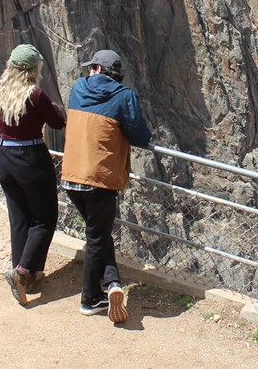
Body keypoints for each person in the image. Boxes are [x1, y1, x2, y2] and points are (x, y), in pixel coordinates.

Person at [60, 49, 150, 324]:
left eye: (92, 67)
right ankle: (89, 299)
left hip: (70, 175)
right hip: (99, 179)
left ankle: (112, 282)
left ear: (98, 69)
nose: (88, 71)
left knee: (98, 233)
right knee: (97, 238)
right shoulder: (125, 97)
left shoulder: (77, 88)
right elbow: (141, 136)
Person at [0, 44, 66, 305]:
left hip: (5, 157)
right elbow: (58, 123)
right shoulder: (35, 95)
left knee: (19, 218)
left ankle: (24, 273)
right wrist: (54, 107)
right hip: (31, 158)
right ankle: (23, 271)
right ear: (33, 68)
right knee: (45, 218)